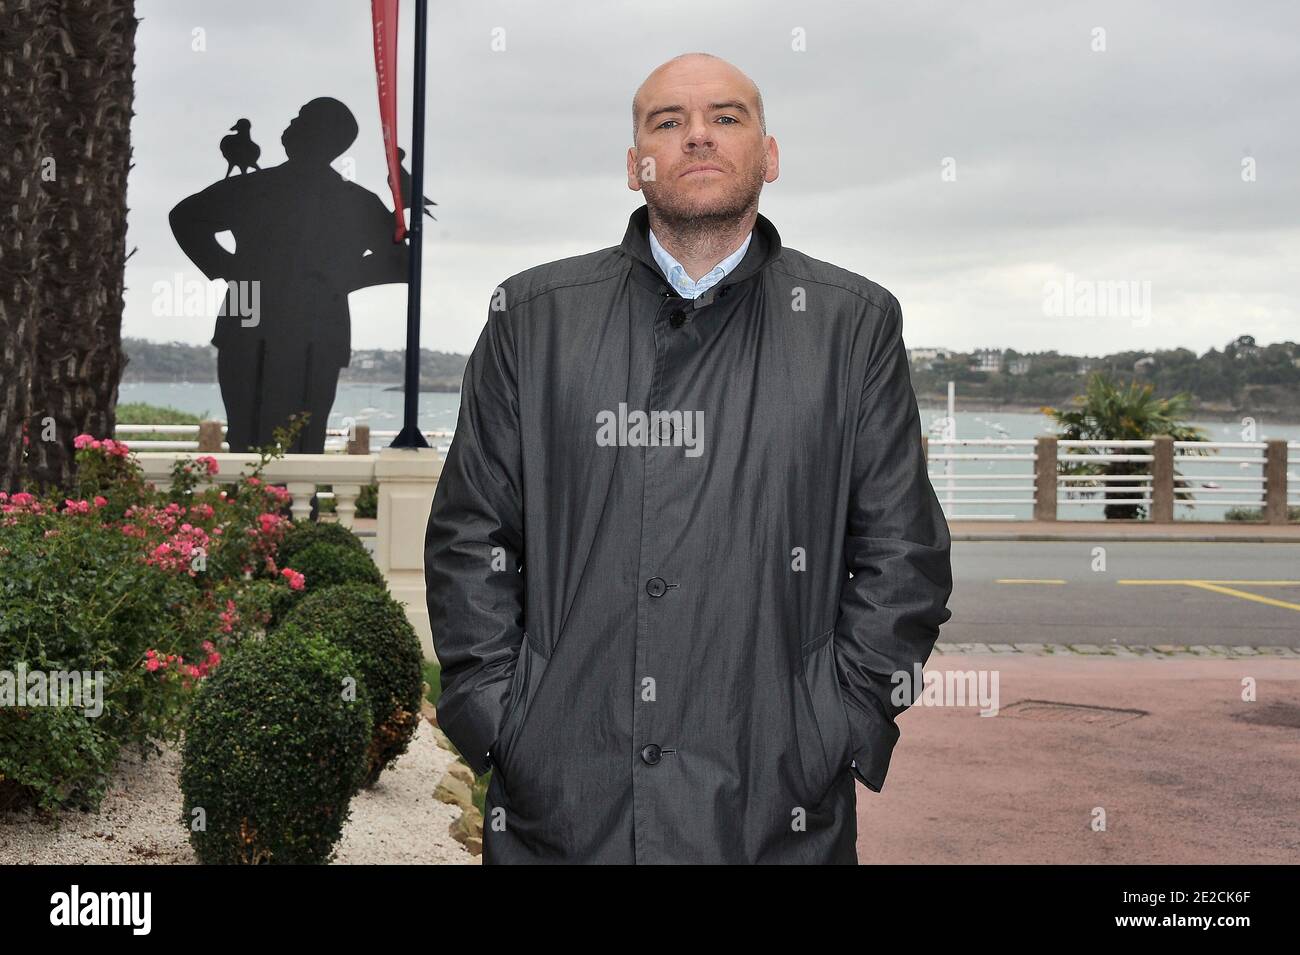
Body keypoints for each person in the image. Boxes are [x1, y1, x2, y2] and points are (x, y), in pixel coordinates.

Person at [424, 52, 953, 864]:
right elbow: (470, 534)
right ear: (634, 163)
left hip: (777, 808)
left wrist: (838, 723)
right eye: (666, 122)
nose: (696, 136)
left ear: (769, 154)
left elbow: (902, 555)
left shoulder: (853, 325)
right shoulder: (532, 320)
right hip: (563, 805)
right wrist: (500, 719)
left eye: (726, 117)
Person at [169, 97, 407, 453]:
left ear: (321, 136)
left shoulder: (343, 200)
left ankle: (274, 505)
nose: (291, 125)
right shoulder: (346, 200)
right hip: (262, 318)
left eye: (301, 120)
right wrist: (228, 268)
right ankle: (259, 506)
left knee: (295, 436)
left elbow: (400, 262)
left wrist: (340, 277)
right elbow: (185, 217)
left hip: (289, 320)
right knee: (257, 434)